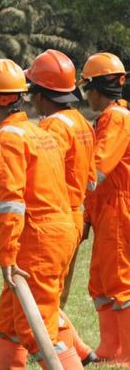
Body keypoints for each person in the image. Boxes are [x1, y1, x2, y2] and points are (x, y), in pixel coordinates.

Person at [0, 58, 82, 368]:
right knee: (11, 320)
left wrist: (6, 256)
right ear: (21, 96)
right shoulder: (38, 133)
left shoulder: (6, 138)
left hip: (37, 240)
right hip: (56, 231)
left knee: (38, 328)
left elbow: (13, 202)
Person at [25, 49, 98, 365]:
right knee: (52, 293)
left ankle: (66, 356)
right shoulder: (81, 122)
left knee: (44, 298)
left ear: (41, 95)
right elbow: (92, 179)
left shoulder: (52, 127)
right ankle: (81, 350)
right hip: (75, 215)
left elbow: (40, 176)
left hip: (53, 219)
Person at [79, 52, 130, 364]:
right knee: (100, 281)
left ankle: (126, 352)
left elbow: (97, 168)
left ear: (97, 89)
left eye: (88, 89)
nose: (87, 96)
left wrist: (64, 186)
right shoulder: (107, 118)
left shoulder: (117, 119)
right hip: (104, 208)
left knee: (120, 280)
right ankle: (111, 349)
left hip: (119, 207)